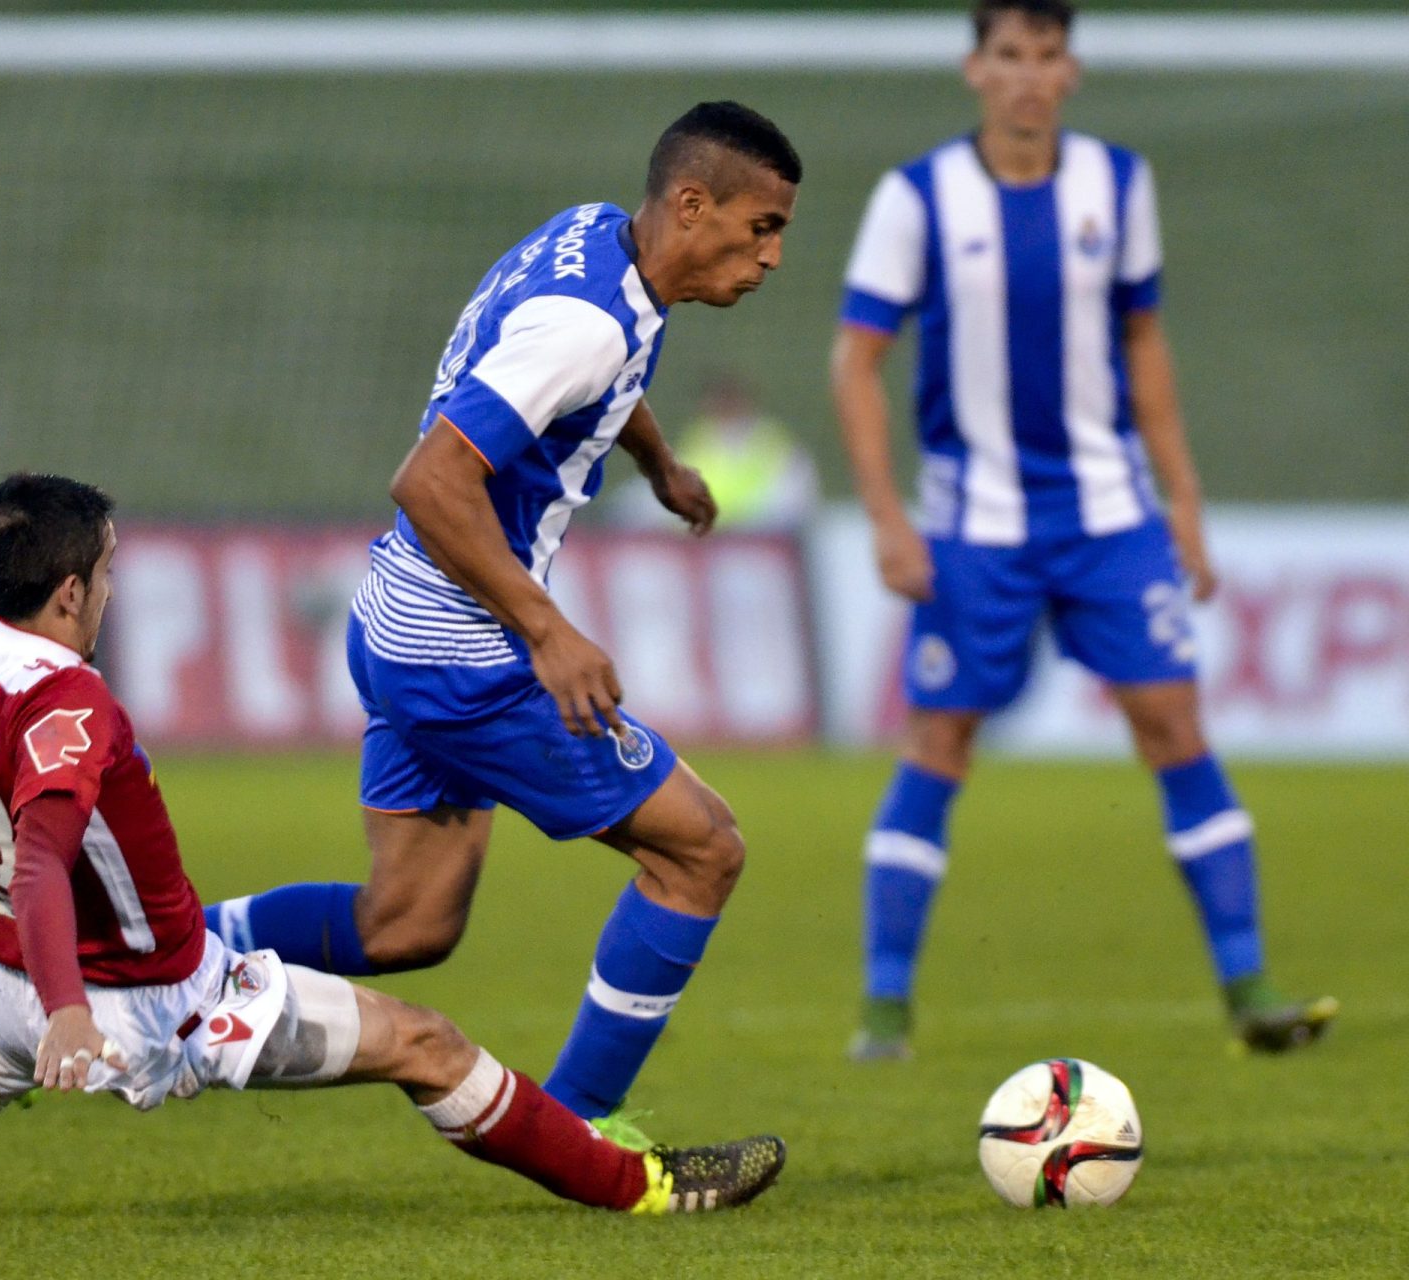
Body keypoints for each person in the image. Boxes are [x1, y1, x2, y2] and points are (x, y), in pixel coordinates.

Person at [0, 179, 786, 1233]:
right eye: (106, 569)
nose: (114, 585)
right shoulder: (70, 706)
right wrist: (72, 1015)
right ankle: (638, 1184)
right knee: (428, 1042)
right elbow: (48, 848)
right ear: (68, 590)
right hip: (148, 997)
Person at [202, 102, 802, 1143]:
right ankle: (575, 1130)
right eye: (763, 227)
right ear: (693, 206)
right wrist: (547, 630)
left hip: (396, 622)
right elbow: (431, 477)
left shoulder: (598, 239)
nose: (775, 256)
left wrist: (657, 463)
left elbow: (586, 382)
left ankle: (141, 942)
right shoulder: (591, 322)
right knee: (703, 850)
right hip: (464, 651)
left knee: (405, 922)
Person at [831, 0, 1336, 1060]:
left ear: (1071, 72)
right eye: (1007, 55)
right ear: (975, 68)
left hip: (1110, 512)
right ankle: (884, 1011)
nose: (1026, 75)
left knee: (1174, 722)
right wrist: (886, 515)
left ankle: (1251, 990)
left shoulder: (1119, 185)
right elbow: (856, 359)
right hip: (974, 523)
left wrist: (1182, 500)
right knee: (940, 738)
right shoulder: (917, 197)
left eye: (1046, 56)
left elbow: (1144, 343)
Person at [607, 377, 819, 534]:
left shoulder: (769, 441)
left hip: (753, 535)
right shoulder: (700, 435)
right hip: (703, 529)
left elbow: (793, 497)